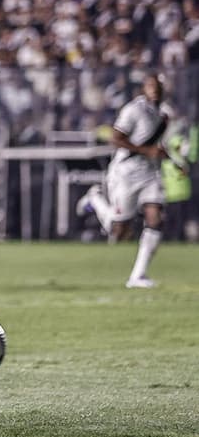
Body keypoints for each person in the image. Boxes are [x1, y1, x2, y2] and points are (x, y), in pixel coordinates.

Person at [76, 74, 180, 288]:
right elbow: (116, 138)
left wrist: (175, 162)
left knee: (155, 217)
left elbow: (158, 146)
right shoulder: (134, 110)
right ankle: (94, 198)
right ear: (143, 88)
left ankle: (138, 275)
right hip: (126, 172)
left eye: (158, 85)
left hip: (150, 173)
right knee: (118, 232)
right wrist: (146, 151)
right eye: (151, 85)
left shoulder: (165, 113)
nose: (155, 89)